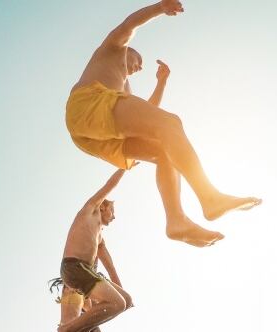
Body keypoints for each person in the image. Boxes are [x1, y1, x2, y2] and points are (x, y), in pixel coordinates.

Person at [65, 0, 261, 247]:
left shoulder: (123, 87)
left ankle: (176, 220)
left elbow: (145, 117)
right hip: (87, 104)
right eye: (138, 61)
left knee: (164, 149)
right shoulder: (113, 49)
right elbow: (129, 24)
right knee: (171, 123)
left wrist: (161, 83)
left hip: (91, 134)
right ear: (130, 51)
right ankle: (209, 197)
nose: (138, 68)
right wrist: (160, 7)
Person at [56, 168, 134, 332]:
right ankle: (68, 330)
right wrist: (125, 167)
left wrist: (120, 291)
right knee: (117, 303)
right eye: (112, 211)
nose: (114, 216)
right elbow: (110, 185)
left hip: (87, 273)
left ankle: (82, 331)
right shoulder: (90, 210)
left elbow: (110, 266)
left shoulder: (100, 237)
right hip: (73, 267)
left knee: (125, 301)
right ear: (103, 207)